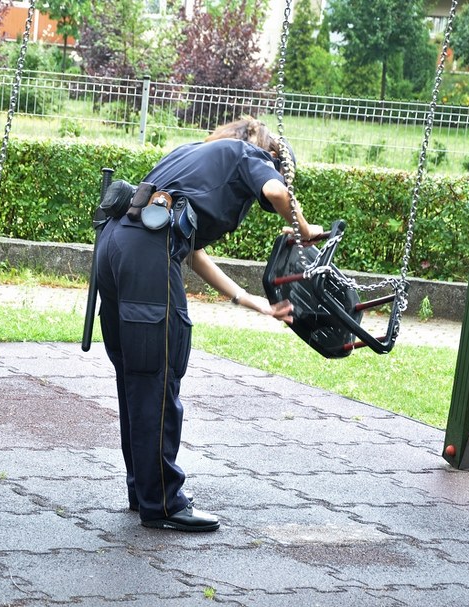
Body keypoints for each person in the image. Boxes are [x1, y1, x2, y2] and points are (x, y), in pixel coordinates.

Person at [95, 117, 323, 532]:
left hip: (112, 246)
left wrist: (251, 301)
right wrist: (304, 231)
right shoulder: (250, 154)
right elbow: (276, 191)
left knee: (136, 376)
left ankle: (145, 490)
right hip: (147, 253)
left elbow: (194, 254)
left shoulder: (193, 154)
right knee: (158, 377)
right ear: (270, 154)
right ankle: (163, 502)